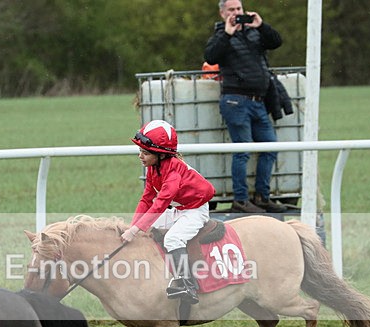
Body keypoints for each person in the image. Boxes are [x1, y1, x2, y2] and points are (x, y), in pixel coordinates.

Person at [204, 0, 286, 214]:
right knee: (242, 151)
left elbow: (276, 42)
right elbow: (210, 56)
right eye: (231, 10)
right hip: (235, 100)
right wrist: (228, 33)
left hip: (258, 101)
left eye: (238, 9)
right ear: (222, 13)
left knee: (270, 147)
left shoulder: (254, 32)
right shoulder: (221, 35)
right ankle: (241, 199)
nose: (236, 13)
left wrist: (261, 25)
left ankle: (262, 196)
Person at [121, 120, 216, 304]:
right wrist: (133, 226)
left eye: (145, 153)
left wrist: (134, 230)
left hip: (196, 210)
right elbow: (146, 200)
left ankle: (188, 283)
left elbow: (161, 203)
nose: (140, 156)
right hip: (180, 209)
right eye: (140, 151)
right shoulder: (153, 168)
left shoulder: (173, 172)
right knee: (147, 228)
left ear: (161, 154)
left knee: (173, 238)